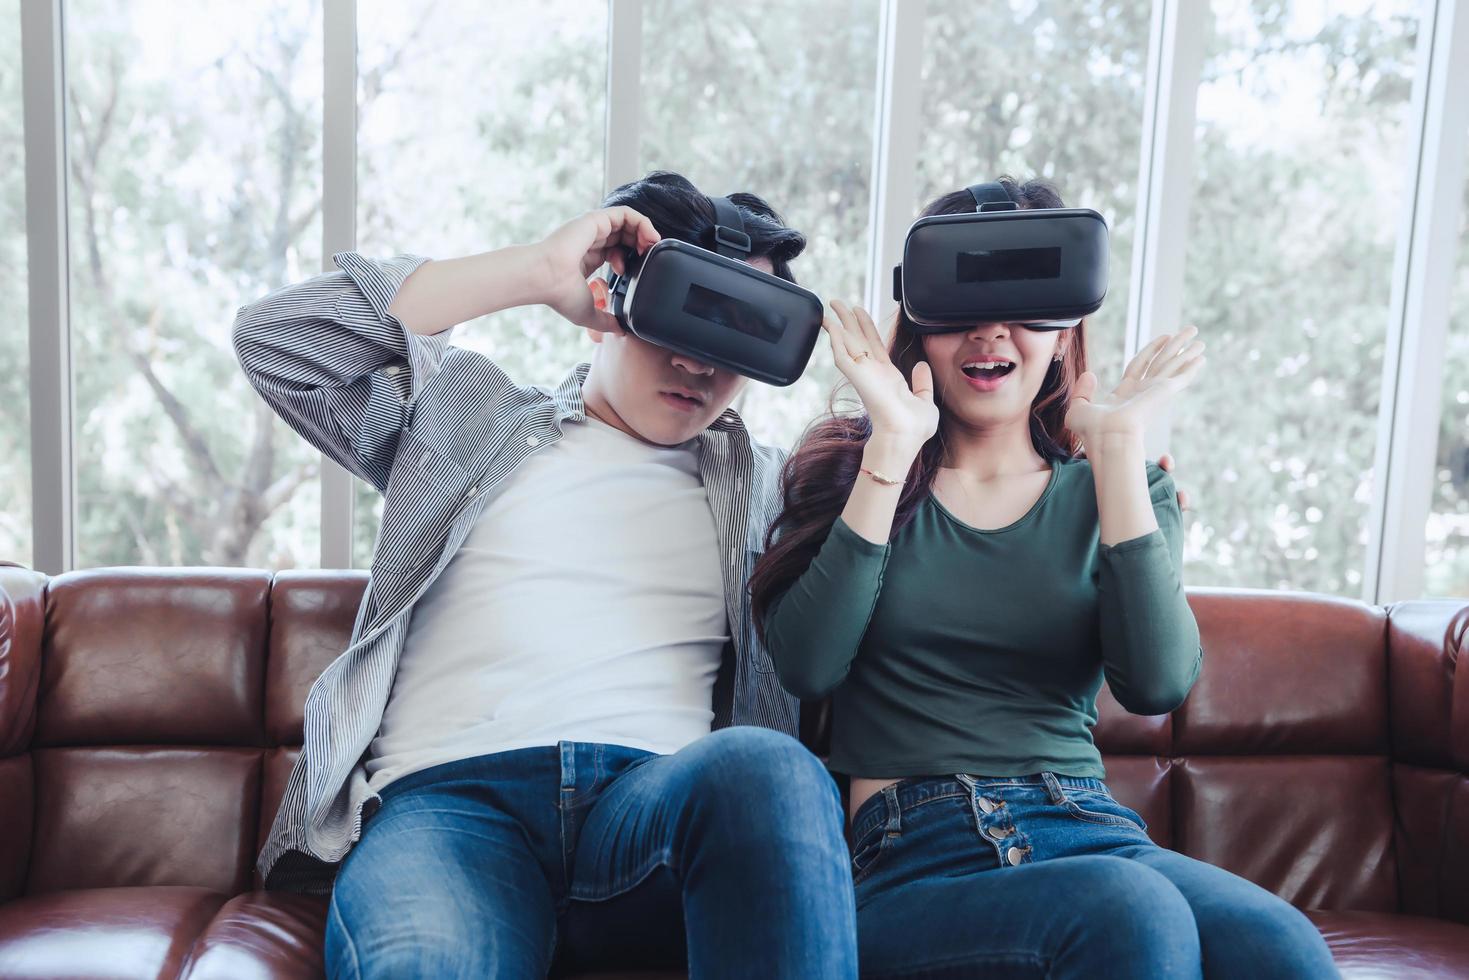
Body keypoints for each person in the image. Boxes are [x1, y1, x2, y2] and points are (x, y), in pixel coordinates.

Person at [233, 171, 857, 979]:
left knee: (768, 770)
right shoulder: (468, 419)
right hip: (451, 810)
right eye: (680, 315)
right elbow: (278, 340)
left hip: (653, 810)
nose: (698, 364)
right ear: (610, 302)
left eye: (734, 338)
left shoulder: (775, 488)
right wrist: (534, 272)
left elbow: (952, 494)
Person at [750, 177, 1339, 978]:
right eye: (962, 306)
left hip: (1087, 824)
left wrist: (1120, 450)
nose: (991, 333)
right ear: (919, 325)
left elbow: (1158, 682)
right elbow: (807, 666)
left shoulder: (1121, 489)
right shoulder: (856, 480)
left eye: (1028, 308)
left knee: (1281, 950)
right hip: (912, 849)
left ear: (1065, 333)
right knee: (1126, 914)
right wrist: (891, 448)